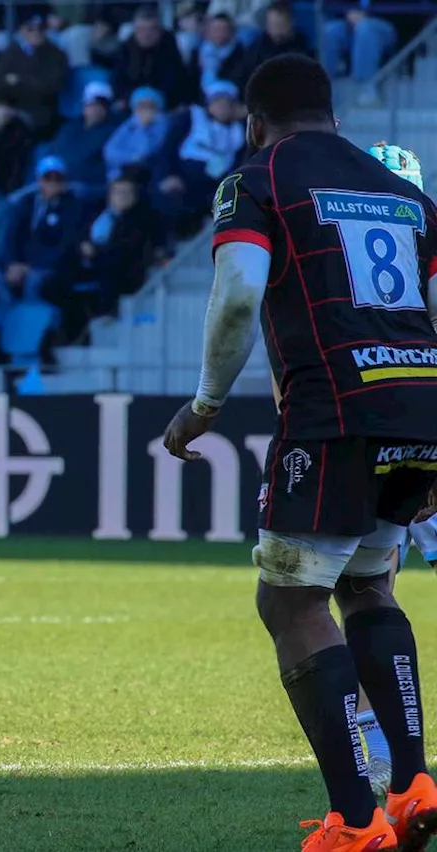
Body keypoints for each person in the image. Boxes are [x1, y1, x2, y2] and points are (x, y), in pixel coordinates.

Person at [162, 55, 437, 852]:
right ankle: (413, 785)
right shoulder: (405, 190)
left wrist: (205, 404)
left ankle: (355, 821)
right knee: (366, 583)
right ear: (335, 118)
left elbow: (241, 289)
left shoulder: (258, 178)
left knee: (289, 601)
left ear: (255, 123)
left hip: (335, 411)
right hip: (421, 406)